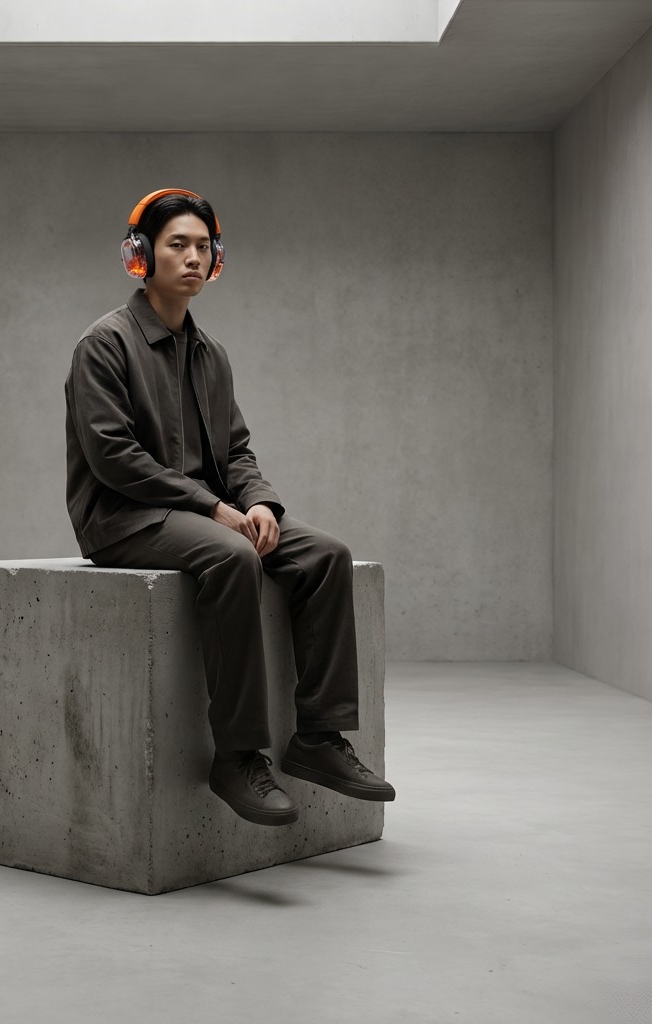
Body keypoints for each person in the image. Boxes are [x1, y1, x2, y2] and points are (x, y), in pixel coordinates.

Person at [62, 187, 395, 827]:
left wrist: (261, 502)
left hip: (203, 512)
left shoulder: (211, 355)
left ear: (216, 260)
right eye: (176, 244)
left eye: (202, 246)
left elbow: (236, 449)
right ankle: (238, 757)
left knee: (326, 555)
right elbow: (113, 457)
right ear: (142, 257)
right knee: (233, 557)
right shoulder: (103, 345)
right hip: (122, 518)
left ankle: (319, 739)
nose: (192, 256)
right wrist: (214, 509)